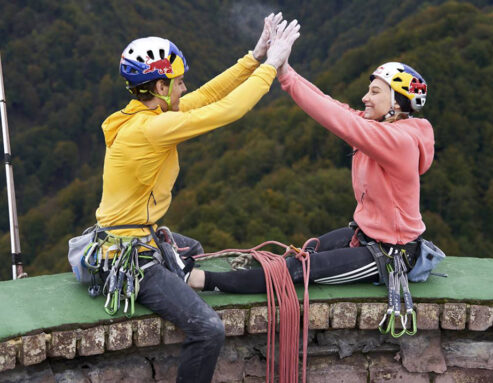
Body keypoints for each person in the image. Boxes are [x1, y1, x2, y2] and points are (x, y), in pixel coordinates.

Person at [94, 14, 301, 383]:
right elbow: (228, 110)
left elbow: (206, 97)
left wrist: (253, 58)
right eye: (177, 82)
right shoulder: (153, 129)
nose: (184, 88)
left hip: (134, 236)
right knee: (209, 328)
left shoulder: (146, 114)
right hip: (129, 255)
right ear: (159, 86)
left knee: (193, 250)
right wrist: (271, 67)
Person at [188, 60, 434, 294]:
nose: (365, 98)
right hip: (367, 235)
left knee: (297, 270)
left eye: (375, 92)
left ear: (397, 103)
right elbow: (333, 106)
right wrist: (286, 72)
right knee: (308, 250)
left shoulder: (399, 142)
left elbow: (338, 119)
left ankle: (202, 280)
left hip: (392, 252)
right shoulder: (380, 129)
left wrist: (286, 77)